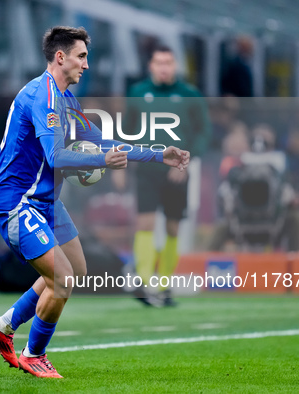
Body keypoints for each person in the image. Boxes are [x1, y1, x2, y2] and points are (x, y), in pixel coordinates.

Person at [0, 26, 190, 378]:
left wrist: (158, 155)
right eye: (81, 56)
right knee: (61, 278)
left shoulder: (65, 100)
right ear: (60, 57)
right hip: (17, 201)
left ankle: (2, 326)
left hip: (45, 201)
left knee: (76, 270)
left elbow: (101, 140)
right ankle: (34, 354)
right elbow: (56, 156)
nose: (86, 65)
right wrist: (100, 162)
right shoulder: (43, 96)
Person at [125, 44, 211, 307]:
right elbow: (127, 130)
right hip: (147, 169)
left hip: (177, 172)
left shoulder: (190, 94)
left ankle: (163, 287)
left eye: (168, 63)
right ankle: (144, 282)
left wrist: (186, 160)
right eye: (159, 63)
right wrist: (124, 161)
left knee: (173, 227)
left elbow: (203, 132)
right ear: (151, 66)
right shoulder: (138, 93)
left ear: (175, 66)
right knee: (145, 223)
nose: (164, 68)